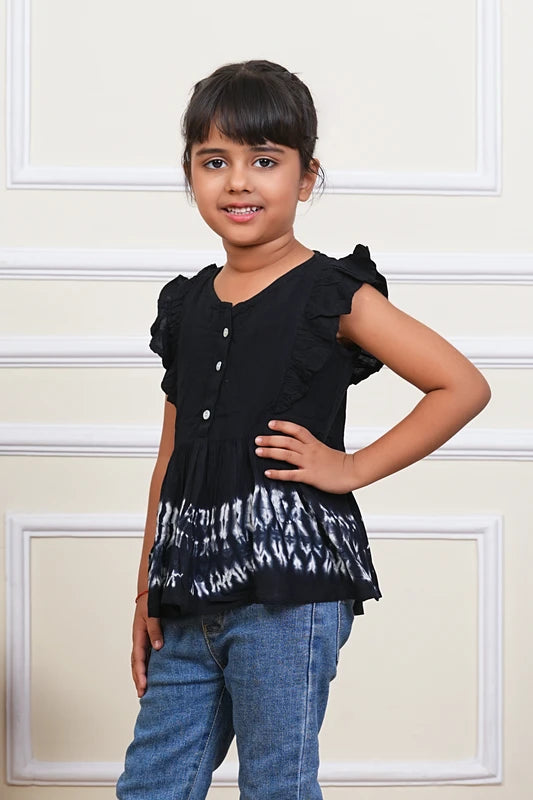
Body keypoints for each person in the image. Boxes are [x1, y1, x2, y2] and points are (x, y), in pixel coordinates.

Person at [116, 60, 491, 800]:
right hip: (186, 593)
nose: (238, 183)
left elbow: (461, 386)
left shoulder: (331, 292)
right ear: (189, 172)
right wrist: (145, 592)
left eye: (265, 161)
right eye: (214, 162)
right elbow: (171, 460)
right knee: (153, 783)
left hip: (289, 594)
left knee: (276, 785)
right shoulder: (185, 307)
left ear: (306, 176)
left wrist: (350, 468)